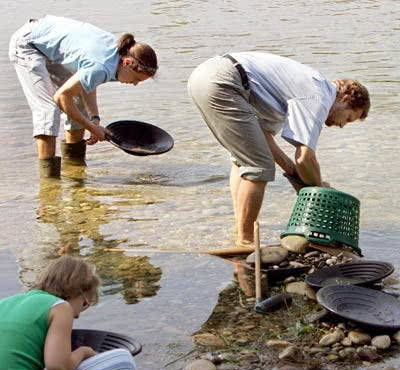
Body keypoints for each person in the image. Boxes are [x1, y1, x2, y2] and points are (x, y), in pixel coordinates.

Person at [187, 52, 370, 246]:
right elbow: (305, 157)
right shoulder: (319, 96)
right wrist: (318, 190)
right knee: (259, 166)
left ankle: (239, 229)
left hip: (205, 76)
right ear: (345, 98)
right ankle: (246, 240)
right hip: (224, 82)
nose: (341, 125)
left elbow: (264, 137)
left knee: (243, 160)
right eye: (349, 118)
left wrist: (291, 171)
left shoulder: (286, 94)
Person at [9, 15, 158, 177]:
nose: (135, 84)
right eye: (136, 79)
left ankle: (75, 171)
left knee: (78, 105)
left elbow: (88, 82)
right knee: (48, 111)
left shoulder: (117, 55)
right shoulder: (102, 65)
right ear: (127, 63)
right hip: (28, 44)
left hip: (47, 41)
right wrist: (92, 127)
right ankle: (49, 184)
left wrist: (94, 118)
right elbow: (61, 97)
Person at [0, 256, 136, 370]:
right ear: (80, 292)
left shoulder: (4, 303)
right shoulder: (60, 306)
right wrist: (83, 352)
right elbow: (57, 367)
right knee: (124, 361)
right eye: (85, 304)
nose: (76, 316)